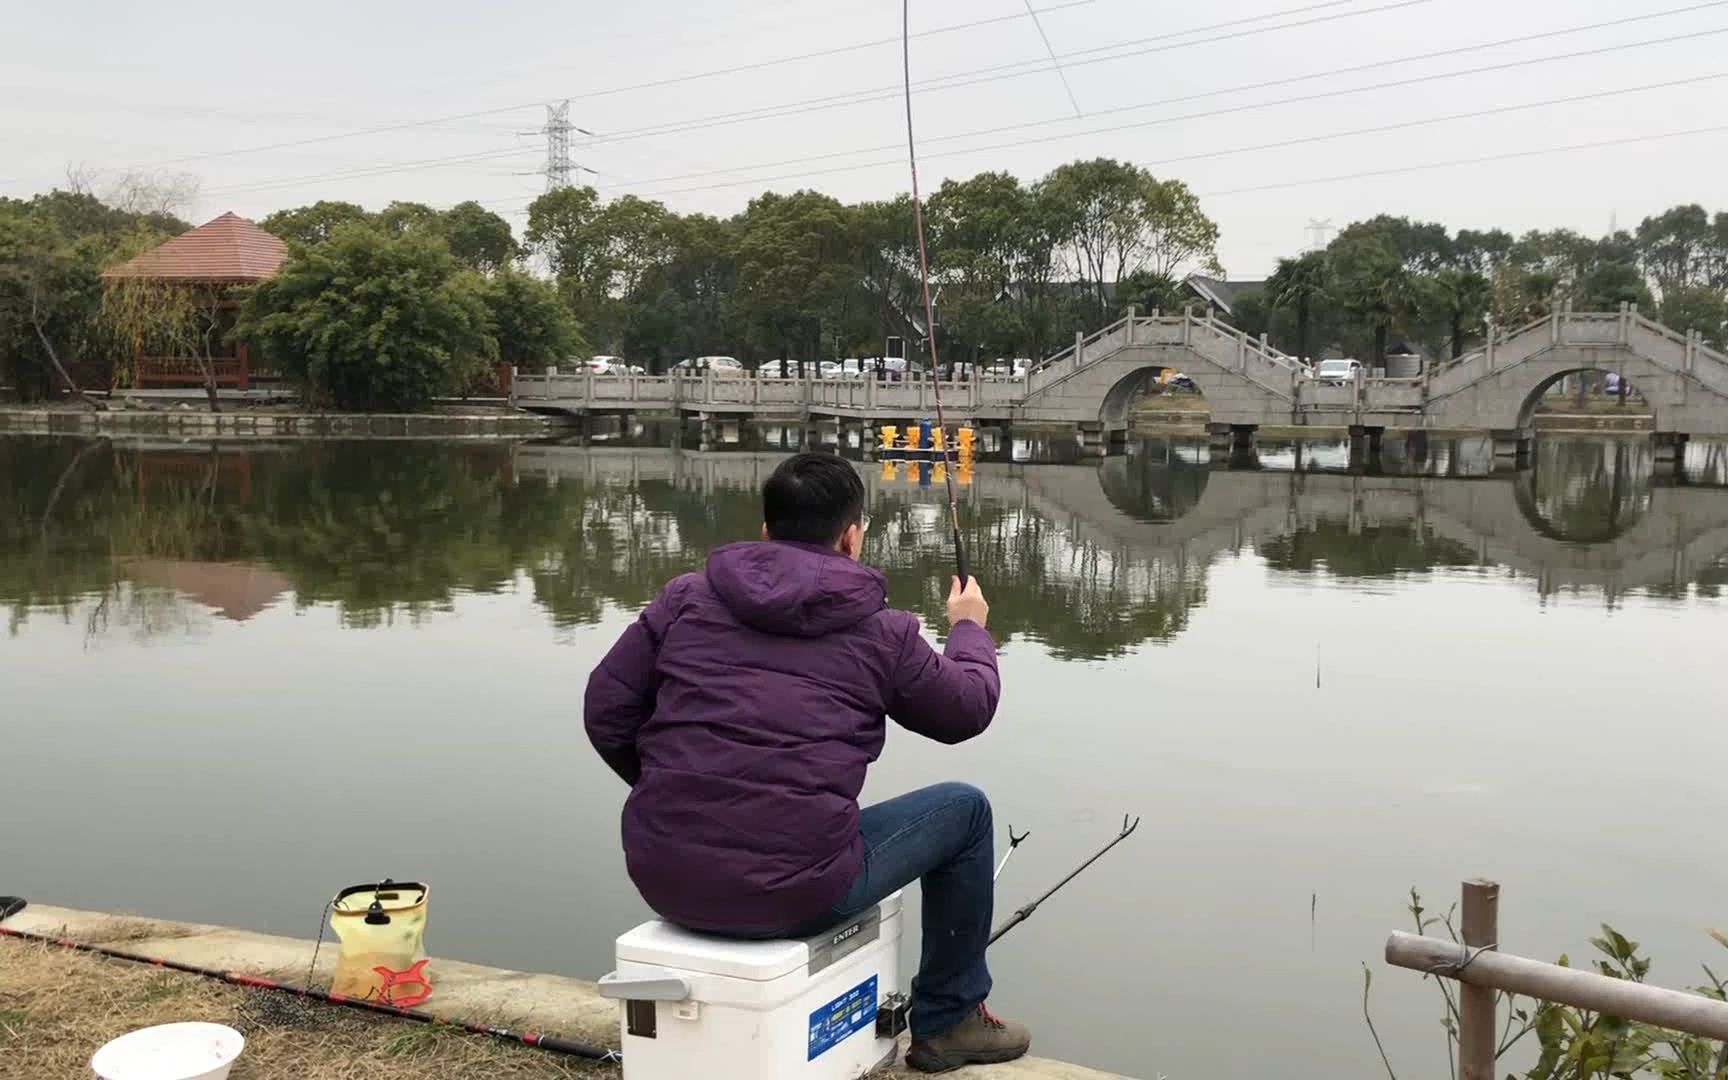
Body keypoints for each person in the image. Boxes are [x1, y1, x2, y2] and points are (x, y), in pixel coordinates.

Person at [584, 451, 1031, 1073]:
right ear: (852, 537)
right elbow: (966, 710)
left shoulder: (684, 598)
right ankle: (949, 1020)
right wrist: (969, 630)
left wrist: (679, 787)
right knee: (966, 811)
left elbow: (605, 710)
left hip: (665, 874)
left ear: (766, 529)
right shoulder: (885, 631)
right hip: (798, 891)